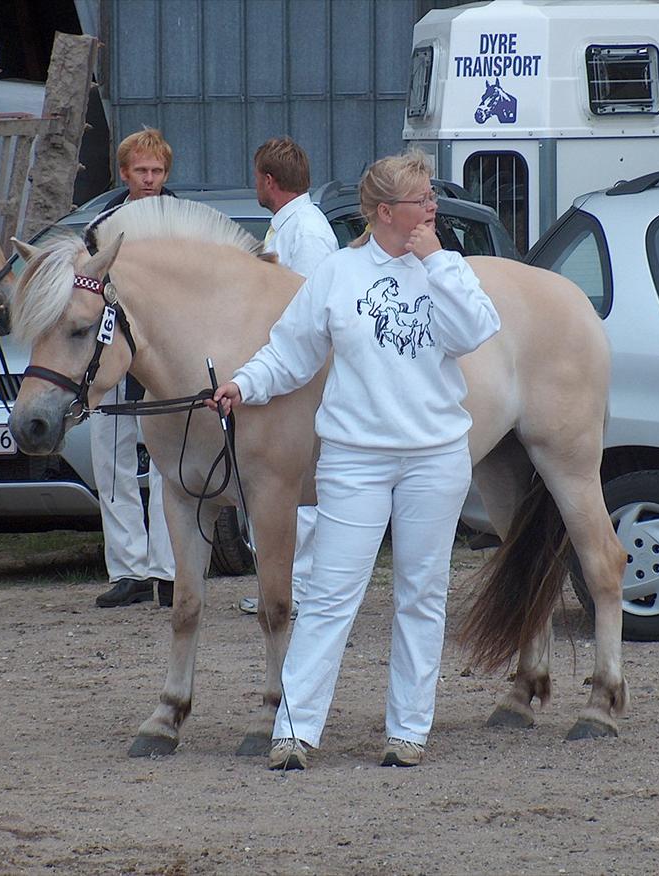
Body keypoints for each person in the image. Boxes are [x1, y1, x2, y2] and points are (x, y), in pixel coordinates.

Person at [210, 151, 500, 770]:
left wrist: (437, 259)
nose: (434, 206)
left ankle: (409, 731)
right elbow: (290, 351)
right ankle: (295, 729)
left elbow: (476, 329)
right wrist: (245, 384)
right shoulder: (339, 273)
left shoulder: (446, 267)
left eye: (432, 198)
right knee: (331, 593)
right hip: (354, 456)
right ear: (388, 211)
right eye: (423, 198)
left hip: (435, 455)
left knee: (422, 593)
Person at [237, 136, 338, 618]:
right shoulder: (287, 226)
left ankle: (301, 587)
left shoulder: (309, 232)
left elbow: (311, 304)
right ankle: (283, 583)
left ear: (269, 181)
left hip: (307, 371)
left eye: (257, 177)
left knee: (304, 487)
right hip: (287, 365)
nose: (255, 184)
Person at [91, 128, 178, 608]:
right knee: (113, 461)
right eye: (141, 171)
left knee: (167, 464)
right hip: (115, 358)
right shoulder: (103, 225)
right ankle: (129, 569)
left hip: (165, 359)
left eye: (157, 171)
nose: (149, 179)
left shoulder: (179, 220)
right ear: (125, 173)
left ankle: (168, 569)